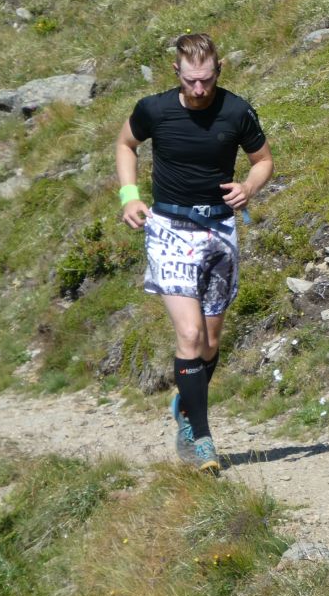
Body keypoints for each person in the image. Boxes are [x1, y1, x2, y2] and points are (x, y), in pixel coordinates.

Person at [115, 32, 273, 472]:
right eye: (190, 81)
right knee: (189, 334)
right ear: (176, 73)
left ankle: (186, 405)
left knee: (209, 342)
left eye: (206, 79)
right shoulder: (154, 109)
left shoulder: (237, 111)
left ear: (219, 70)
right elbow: (125, 144)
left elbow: (263, 160)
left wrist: (249, 187)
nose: (199, 89)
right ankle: (200, 438)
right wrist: (130, 196)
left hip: (219, 228)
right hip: (169, 228)